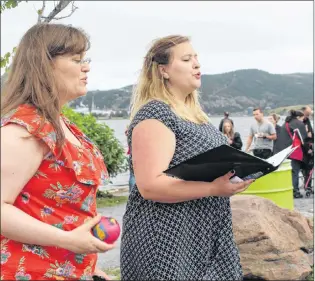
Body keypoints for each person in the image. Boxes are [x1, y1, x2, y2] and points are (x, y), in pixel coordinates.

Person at [120, 35, 254, 280]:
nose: (196, 64)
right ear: (163, 71)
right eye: (186, 59)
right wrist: (213, 188)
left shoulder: (196, 116)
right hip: (167, 237)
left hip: (205, 232)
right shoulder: (156, 113)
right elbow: (150, 186)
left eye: (196, 58)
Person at [1, 23, 115, 280]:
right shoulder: (25, 128)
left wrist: (88, 265)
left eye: (85, 59)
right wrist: (68, 241)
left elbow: (63, 210)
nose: (86, 67)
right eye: (76, 59)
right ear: (44, 64)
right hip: (29, 271)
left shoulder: (63, 126)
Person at [274, 110, 307, 198]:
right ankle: (295, 192)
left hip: (284, 151)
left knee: (289, 172)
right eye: (303, 119)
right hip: (294, 150)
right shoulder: (298, 124)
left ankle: (288, 189)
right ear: (299, 117)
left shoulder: (286, 123)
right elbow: (304, 140)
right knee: (295, 171)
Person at [125, 125, 136, 192]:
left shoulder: (130, 129)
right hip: (138, 154)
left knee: (132, 175)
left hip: (132, 154)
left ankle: (131, 193)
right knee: (133, 176)